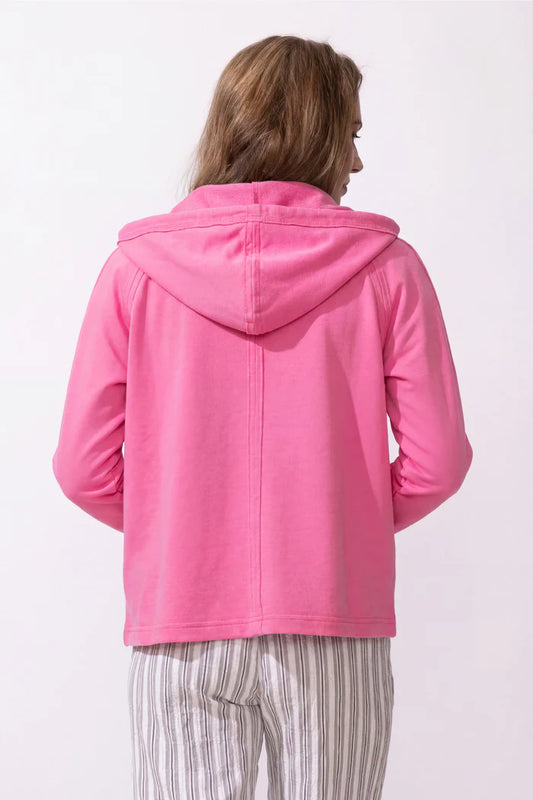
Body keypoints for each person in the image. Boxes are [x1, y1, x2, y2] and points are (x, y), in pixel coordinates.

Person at [52, 34, 473, 800]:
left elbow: (83, 470)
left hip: (179, 628)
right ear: (315, 133)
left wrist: (180, 531)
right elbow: (437, 462)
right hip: (331, 622)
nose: (356, 161)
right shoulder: (387, 269)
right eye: (349, 133)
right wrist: (335, 530)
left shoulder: (133, 271)